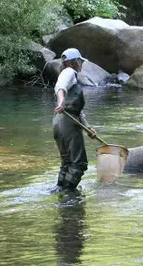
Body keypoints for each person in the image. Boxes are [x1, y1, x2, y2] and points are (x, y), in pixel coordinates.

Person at [52, 48, 96, 193]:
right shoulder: (69, 72)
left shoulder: (68, 74)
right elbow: (60, 88)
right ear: (75, 61)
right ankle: (69, 193)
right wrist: (61, 100)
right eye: (81, 61)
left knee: (67, 162)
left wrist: (88, 128)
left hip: (59, 121)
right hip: (68, 122)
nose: (81, 64)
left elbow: (78, 111)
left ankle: (60, 189)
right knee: (79, 163)